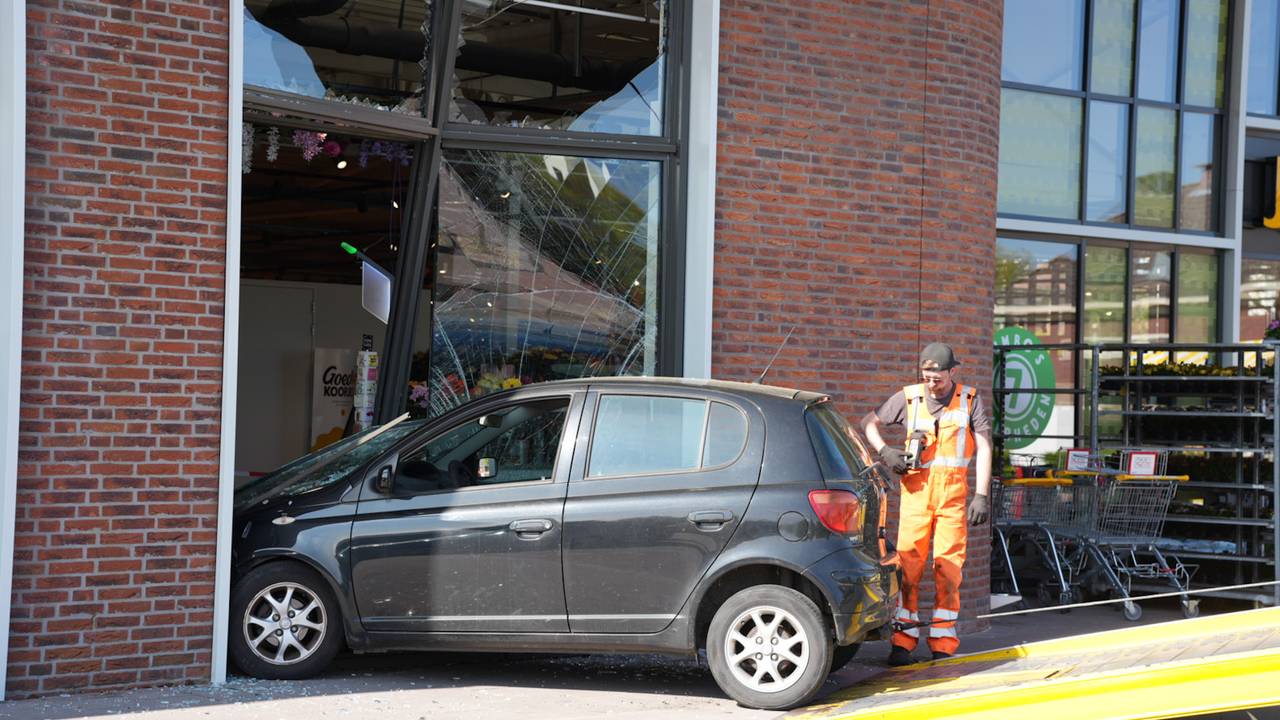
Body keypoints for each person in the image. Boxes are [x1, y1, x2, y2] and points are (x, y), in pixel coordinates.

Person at [860, 342, 992, 666]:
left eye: (938, 378)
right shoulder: (909, 397)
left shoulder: (970, 400)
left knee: (948, 569)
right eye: (927, 377)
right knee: (909, 568)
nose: (932, 384)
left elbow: (986, 446)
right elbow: (868, 422)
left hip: (952, 497)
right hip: (916, 495)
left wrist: (982, 494)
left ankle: (943, 641)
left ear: (952, 372)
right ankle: (903, 640)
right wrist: (886, 452)